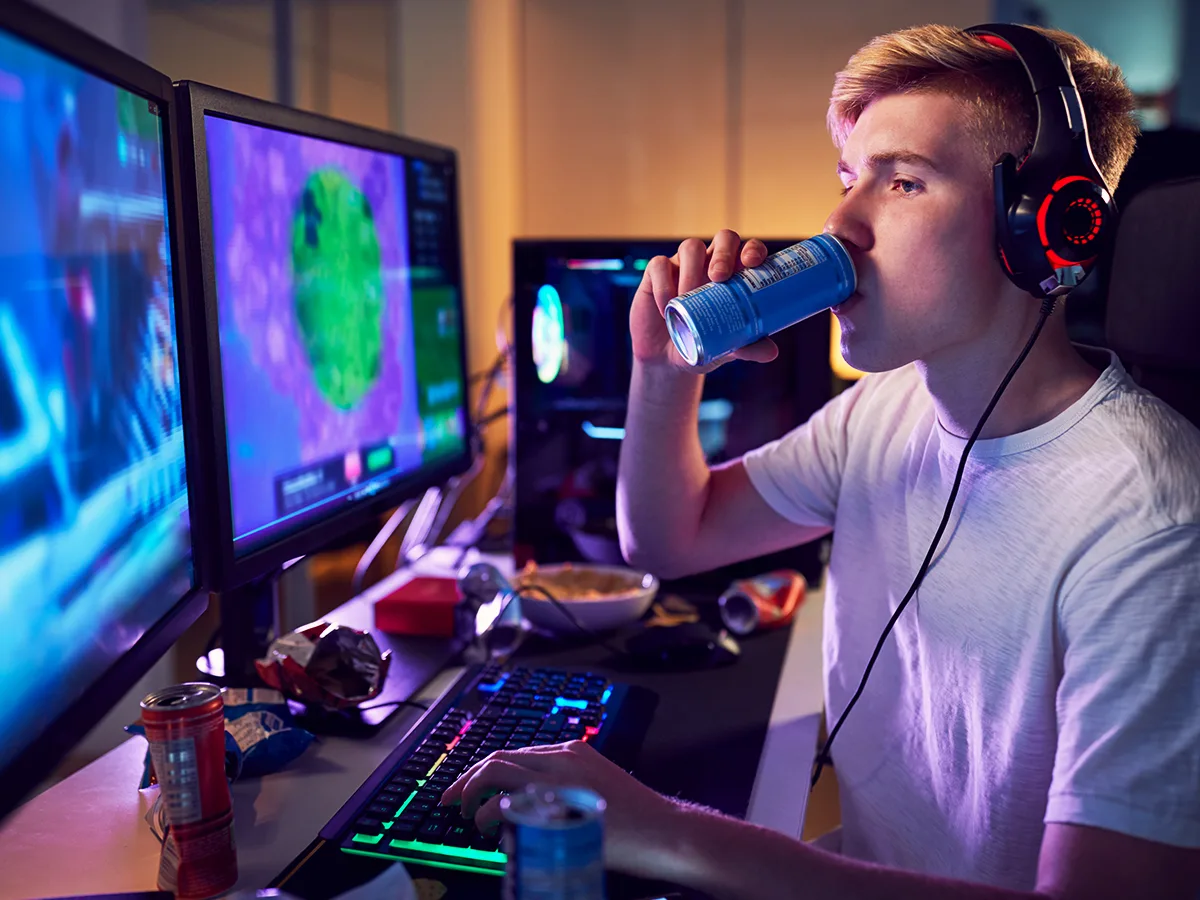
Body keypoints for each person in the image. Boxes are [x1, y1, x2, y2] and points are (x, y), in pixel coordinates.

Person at [441, 23, 1200, 899]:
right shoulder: (886, 409)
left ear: (1042, 229)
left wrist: (666, 831)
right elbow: (667, 539)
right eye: (848, 180)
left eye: (904, 181)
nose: (838, 223)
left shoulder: (1154, 526)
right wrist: (662, 371)